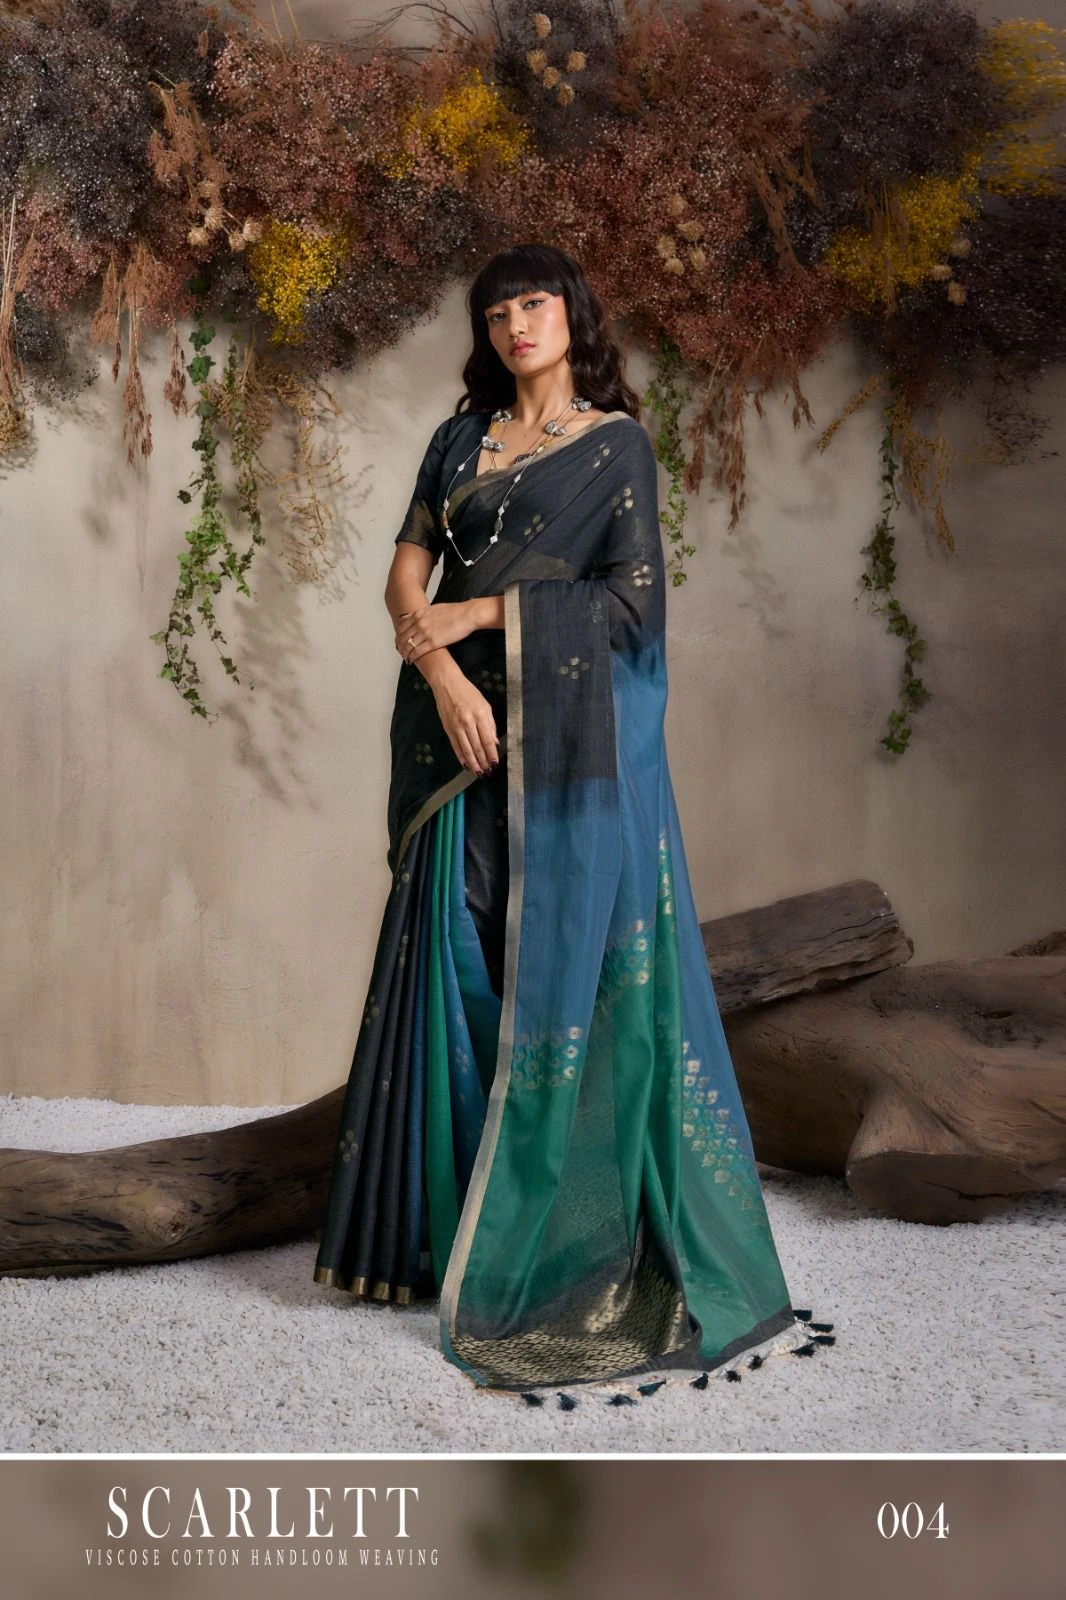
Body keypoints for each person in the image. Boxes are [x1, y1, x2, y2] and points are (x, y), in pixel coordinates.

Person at [313, 243, 834, 1406]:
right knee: (455, 960)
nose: (516, 324)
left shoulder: (615, 446)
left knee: (557, 971)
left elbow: (631, 606)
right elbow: (403, 581)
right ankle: (438, 1233)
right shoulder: (459, 440)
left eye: (534, 303)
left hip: (565, 747)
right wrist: (445, 677)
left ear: (571, 314)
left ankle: (562, 1238)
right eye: (497, 311)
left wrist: (478, 618)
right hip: (454, 735)